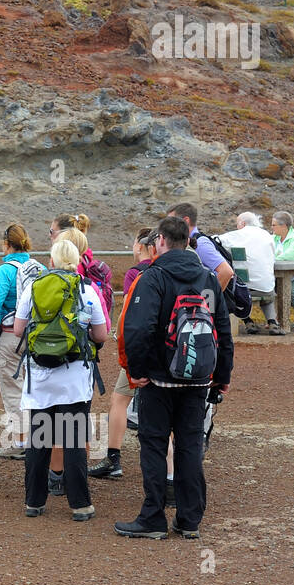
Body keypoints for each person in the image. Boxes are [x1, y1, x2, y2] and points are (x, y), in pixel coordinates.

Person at [117, 217, 233, 539]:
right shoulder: (207, 279)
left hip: (158, 379)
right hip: (197, 381)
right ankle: (189, 519)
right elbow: (221, 329)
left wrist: (136, 372)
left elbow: (138, 329)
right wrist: (222, 375)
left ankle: (153, 518)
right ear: (187, 242)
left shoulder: (153, 278)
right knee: (189, 446)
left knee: (154, 445)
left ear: (161, 242)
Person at [14, 237, 107, 521]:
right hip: (74, 377)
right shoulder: (88, 290)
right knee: (73, 440)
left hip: (40, 377)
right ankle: (80, 505)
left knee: (39, 439)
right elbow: (101, 335)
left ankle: (34, 502)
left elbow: (18, 330)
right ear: (77, 261)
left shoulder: (34, 286)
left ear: (51, 261)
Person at [89, 228, 157, 480]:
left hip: (139, 350)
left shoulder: (135, 273)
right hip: (167, 352)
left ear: (142, 246)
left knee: (119, 400)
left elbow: (130, 313)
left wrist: (121, 342)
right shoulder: (168, 271)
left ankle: (113, 459)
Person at [0, 223, 37, 458]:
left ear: (6, 244)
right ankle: (37, 439)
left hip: (9, 337)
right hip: (36, 337)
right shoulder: (38, 267)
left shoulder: (4, 270)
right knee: (34, 388)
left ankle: (20, 443)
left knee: (12, 389)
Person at [219, 211, 282, 335]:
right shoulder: (267, 235)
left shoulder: (235, 235)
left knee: (232, 287)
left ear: (242, 223)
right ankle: (273, 322)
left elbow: (215, 241)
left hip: (243, 289)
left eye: (237, 224)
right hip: (266, 288)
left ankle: (248, 321)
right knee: (266, 284)